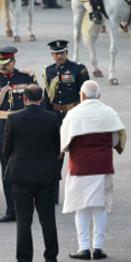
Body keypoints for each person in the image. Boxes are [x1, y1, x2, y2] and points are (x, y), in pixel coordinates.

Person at [60, 80, 126, 260]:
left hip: (80, 166)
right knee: (100, 207)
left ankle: (83, 247)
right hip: (103, 165)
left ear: (81, 95)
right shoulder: (109, 112)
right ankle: (98, 247)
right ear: (99, 95)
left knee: (80, 207)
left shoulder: (74, 114)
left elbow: (65, 144)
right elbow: (115, 141)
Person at [3, 84, 61, 262]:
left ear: (24, 99)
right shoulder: (53, 118)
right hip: (46, 174)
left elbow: (6, 148)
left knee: (24, 220)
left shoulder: (14, 118)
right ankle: (51, 261)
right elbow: (58, 146)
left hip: (21, 175)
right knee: (48, 219)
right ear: (42, 98)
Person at [0, 47, 38, 222]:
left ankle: (25, 209)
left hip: (23, 129)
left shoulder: (26, 78)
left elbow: (36, 104)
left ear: (14, 62)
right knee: (7, 171)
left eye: (6, 64)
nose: (2, 67)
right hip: (3, 130)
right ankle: (11, 210)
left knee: (26, 171)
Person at [42, 40, 90, 202]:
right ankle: (53, 195)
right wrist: (45, 117)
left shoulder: (78, 69)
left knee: (78, 155)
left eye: (62, 52)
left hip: (74, 115)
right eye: (56, 53)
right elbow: (48, 97)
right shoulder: (48, 71)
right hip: (55, 117)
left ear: (67, 53)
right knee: (56, 156)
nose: (59, 56)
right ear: (52, 55)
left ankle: (80, 194)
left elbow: (87, 94)